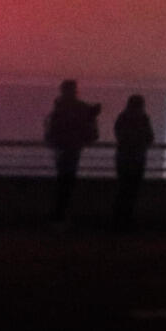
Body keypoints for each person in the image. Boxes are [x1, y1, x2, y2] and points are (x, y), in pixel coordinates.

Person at [43, 78, 101, 223]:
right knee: (67, 183)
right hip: (71, 149)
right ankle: (61, 216)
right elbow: (89, 127)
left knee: (63, 183)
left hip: (62, 149)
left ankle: (59, 216)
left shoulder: (60, 107)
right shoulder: (77, 108)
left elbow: (51, 129)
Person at [111, 93, 154, 230]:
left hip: (123, 158)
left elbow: (119, 135)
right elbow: (150, 138)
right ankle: (127, 219)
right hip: (138, 158)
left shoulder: (123, 117)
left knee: (123, 189)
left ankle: (118, 220)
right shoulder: (143, 118)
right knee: (132, 190)